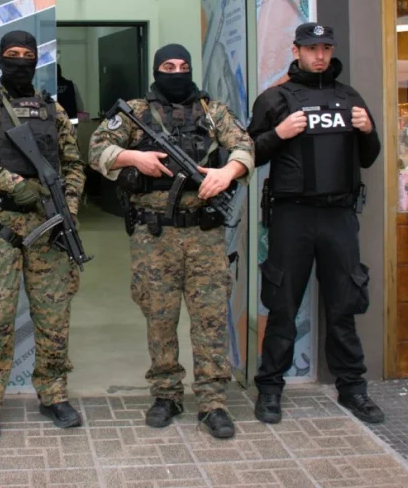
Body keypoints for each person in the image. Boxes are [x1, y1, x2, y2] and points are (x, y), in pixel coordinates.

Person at [88, 43, 254, 438]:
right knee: (159, 317)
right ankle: (166, 394)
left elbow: (245, 146)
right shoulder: (136, 111)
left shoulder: (213, 112)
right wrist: (134, 158)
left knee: (210, 319)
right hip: (154, 236)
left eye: (183, 66)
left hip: (204, 234)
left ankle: (212, 401)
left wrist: (228, 172)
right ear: (156, 70)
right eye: (168, 66)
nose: (177, 72)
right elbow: (96, 150)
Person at [248, 23, 384, 425]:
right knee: (282, 306)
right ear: (296, 51)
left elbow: (368, 157)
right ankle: (270, 389)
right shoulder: (275, 98)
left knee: (344, 305)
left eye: (325, 48)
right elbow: (247, 154)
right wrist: (278, 133)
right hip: (293, 216)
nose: (319, 55)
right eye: (311, 48)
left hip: (339, 215)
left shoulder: (349, 97)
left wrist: (368, 131)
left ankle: (353, 389)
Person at [0, 30, 86, 440]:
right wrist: (11, 183)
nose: (19, 61)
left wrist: (68, 209)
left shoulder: (54, 110)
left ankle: (53, 393)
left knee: (53, 316)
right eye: (12, 54)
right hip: (1, 228)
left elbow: (73, 165)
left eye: (27, 55)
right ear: (0, 58)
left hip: (50, 228)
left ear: (36, 60)